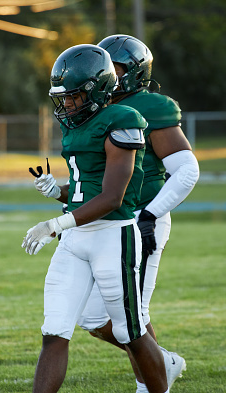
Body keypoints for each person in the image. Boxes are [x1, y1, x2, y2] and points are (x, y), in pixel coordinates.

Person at [34, 35, 200, 392]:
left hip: (133, 219)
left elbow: (184, 172)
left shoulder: (142, 112)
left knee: (132, 320)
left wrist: (151, 214)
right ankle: (160, 361)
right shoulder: (83, 114)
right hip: (90, 221)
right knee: (95, 318)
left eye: (118, 66)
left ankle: (151, 381)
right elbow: (92, 183)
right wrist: (62, 195)